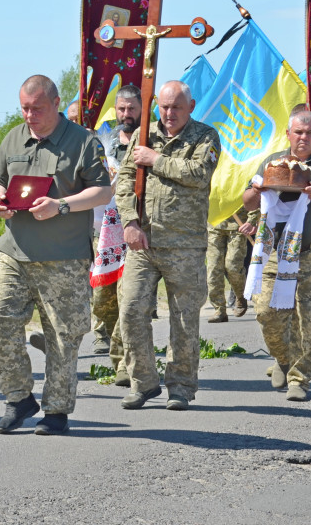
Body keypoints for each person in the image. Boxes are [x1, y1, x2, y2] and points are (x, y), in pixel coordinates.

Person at [0, 75, 111, 435]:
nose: (29, 115)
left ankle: (56, 411)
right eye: (24, 108)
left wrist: (61, 206)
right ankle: (18, 397)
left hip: (63, 257)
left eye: (37, 108)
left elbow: (102, 191)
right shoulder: (13, 137)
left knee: (62, 335)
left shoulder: (83, 142)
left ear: (56, 103)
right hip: (15, 251)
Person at [115, 81, 220, 411]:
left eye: (176, 107)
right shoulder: (143, 134)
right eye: (163, 107)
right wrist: (130, 222)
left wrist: (156, 160)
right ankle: (143, 382)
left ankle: (181, 386)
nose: (169, 113)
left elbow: (199, 173)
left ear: (190, 106)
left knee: (184, 320)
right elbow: (125, 181)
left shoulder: (205, 136)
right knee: (131, 310)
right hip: (144, 243)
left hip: (185, 245)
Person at [242, 110, 311, 401]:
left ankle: (300, 378)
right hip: (274, 252)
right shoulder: (272, 163)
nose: (303, 137)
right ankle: (282, 358)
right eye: (298, 132)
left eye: (310, 133)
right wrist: (258, 190)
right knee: (266, 312)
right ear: (288, 133)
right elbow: (248, 202)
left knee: (310, 320)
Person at [93, 84, 140, 380]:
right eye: (121, 109)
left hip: (136, 229)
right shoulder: (103, 142)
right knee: (102, 299)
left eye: (131, 109)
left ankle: (124, 362)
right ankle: (115, 350)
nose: (126, 114)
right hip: (105, 231)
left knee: (129, 298)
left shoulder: (149, 141)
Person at [206, 212, 252, 323]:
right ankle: (219, 310)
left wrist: (252, 220)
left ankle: (241, 295)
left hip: (238, 225)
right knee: (213, 270)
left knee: (233, 267)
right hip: (214, 224)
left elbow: (254, 196)